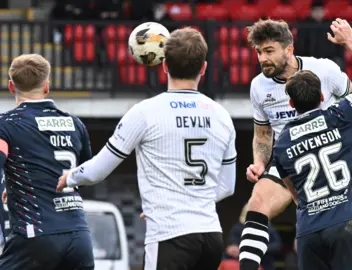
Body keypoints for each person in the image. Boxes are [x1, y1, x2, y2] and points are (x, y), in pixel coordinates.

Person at [57, 28, 237, 270]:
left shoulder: (145, 112)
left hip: (170, 235)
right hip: (211, 236)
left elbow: (98, 170)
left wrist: (69, 177)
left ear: (164, 66)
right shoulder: (222, 115)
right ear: (203, 67)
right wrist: (190, 200)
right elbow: (227, 186)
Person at [239, 18, 352, 270]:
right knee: (257, 203)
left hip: (321, 154)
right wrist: (258, 162)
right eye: (258, 52)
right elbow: (263, 134)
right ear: (320, 97)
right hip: (292, 161)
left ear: (289, 49)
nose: (262, 58)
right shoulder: (258, 86)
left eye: (268, 51)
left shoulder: (324, 69)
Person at [0, 54, 94, 269]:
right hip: (79, 236)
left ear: (11, 86)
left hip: (35, 237)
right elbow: (87, 174)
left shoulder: (6, 124)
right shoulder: (75, 123)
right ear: (47, 86)